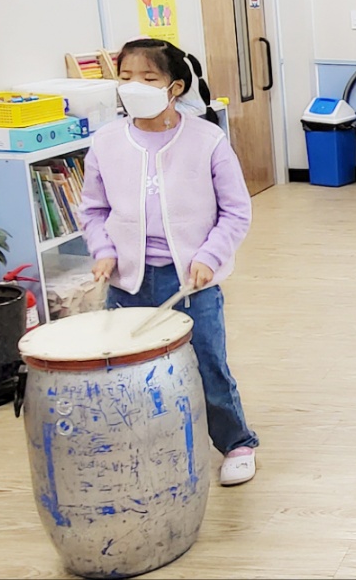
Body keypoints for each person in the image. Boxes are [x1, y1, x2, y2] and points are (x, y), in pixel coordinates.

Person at [82, 38, 258, 486]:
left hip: (191, 284)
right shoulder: (105, 142)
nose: (133, 86)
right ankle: (142, 448)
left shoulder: (207, 140)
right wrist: (103, 251)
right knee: (128, 371)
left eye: (148, 78)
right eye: (125, 77)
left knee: (208, 365)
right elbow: (94, 211)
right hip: (127, 283)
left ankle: (236, 443)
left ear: (174, 87)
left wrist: (210, 256)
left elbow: (236, 211)